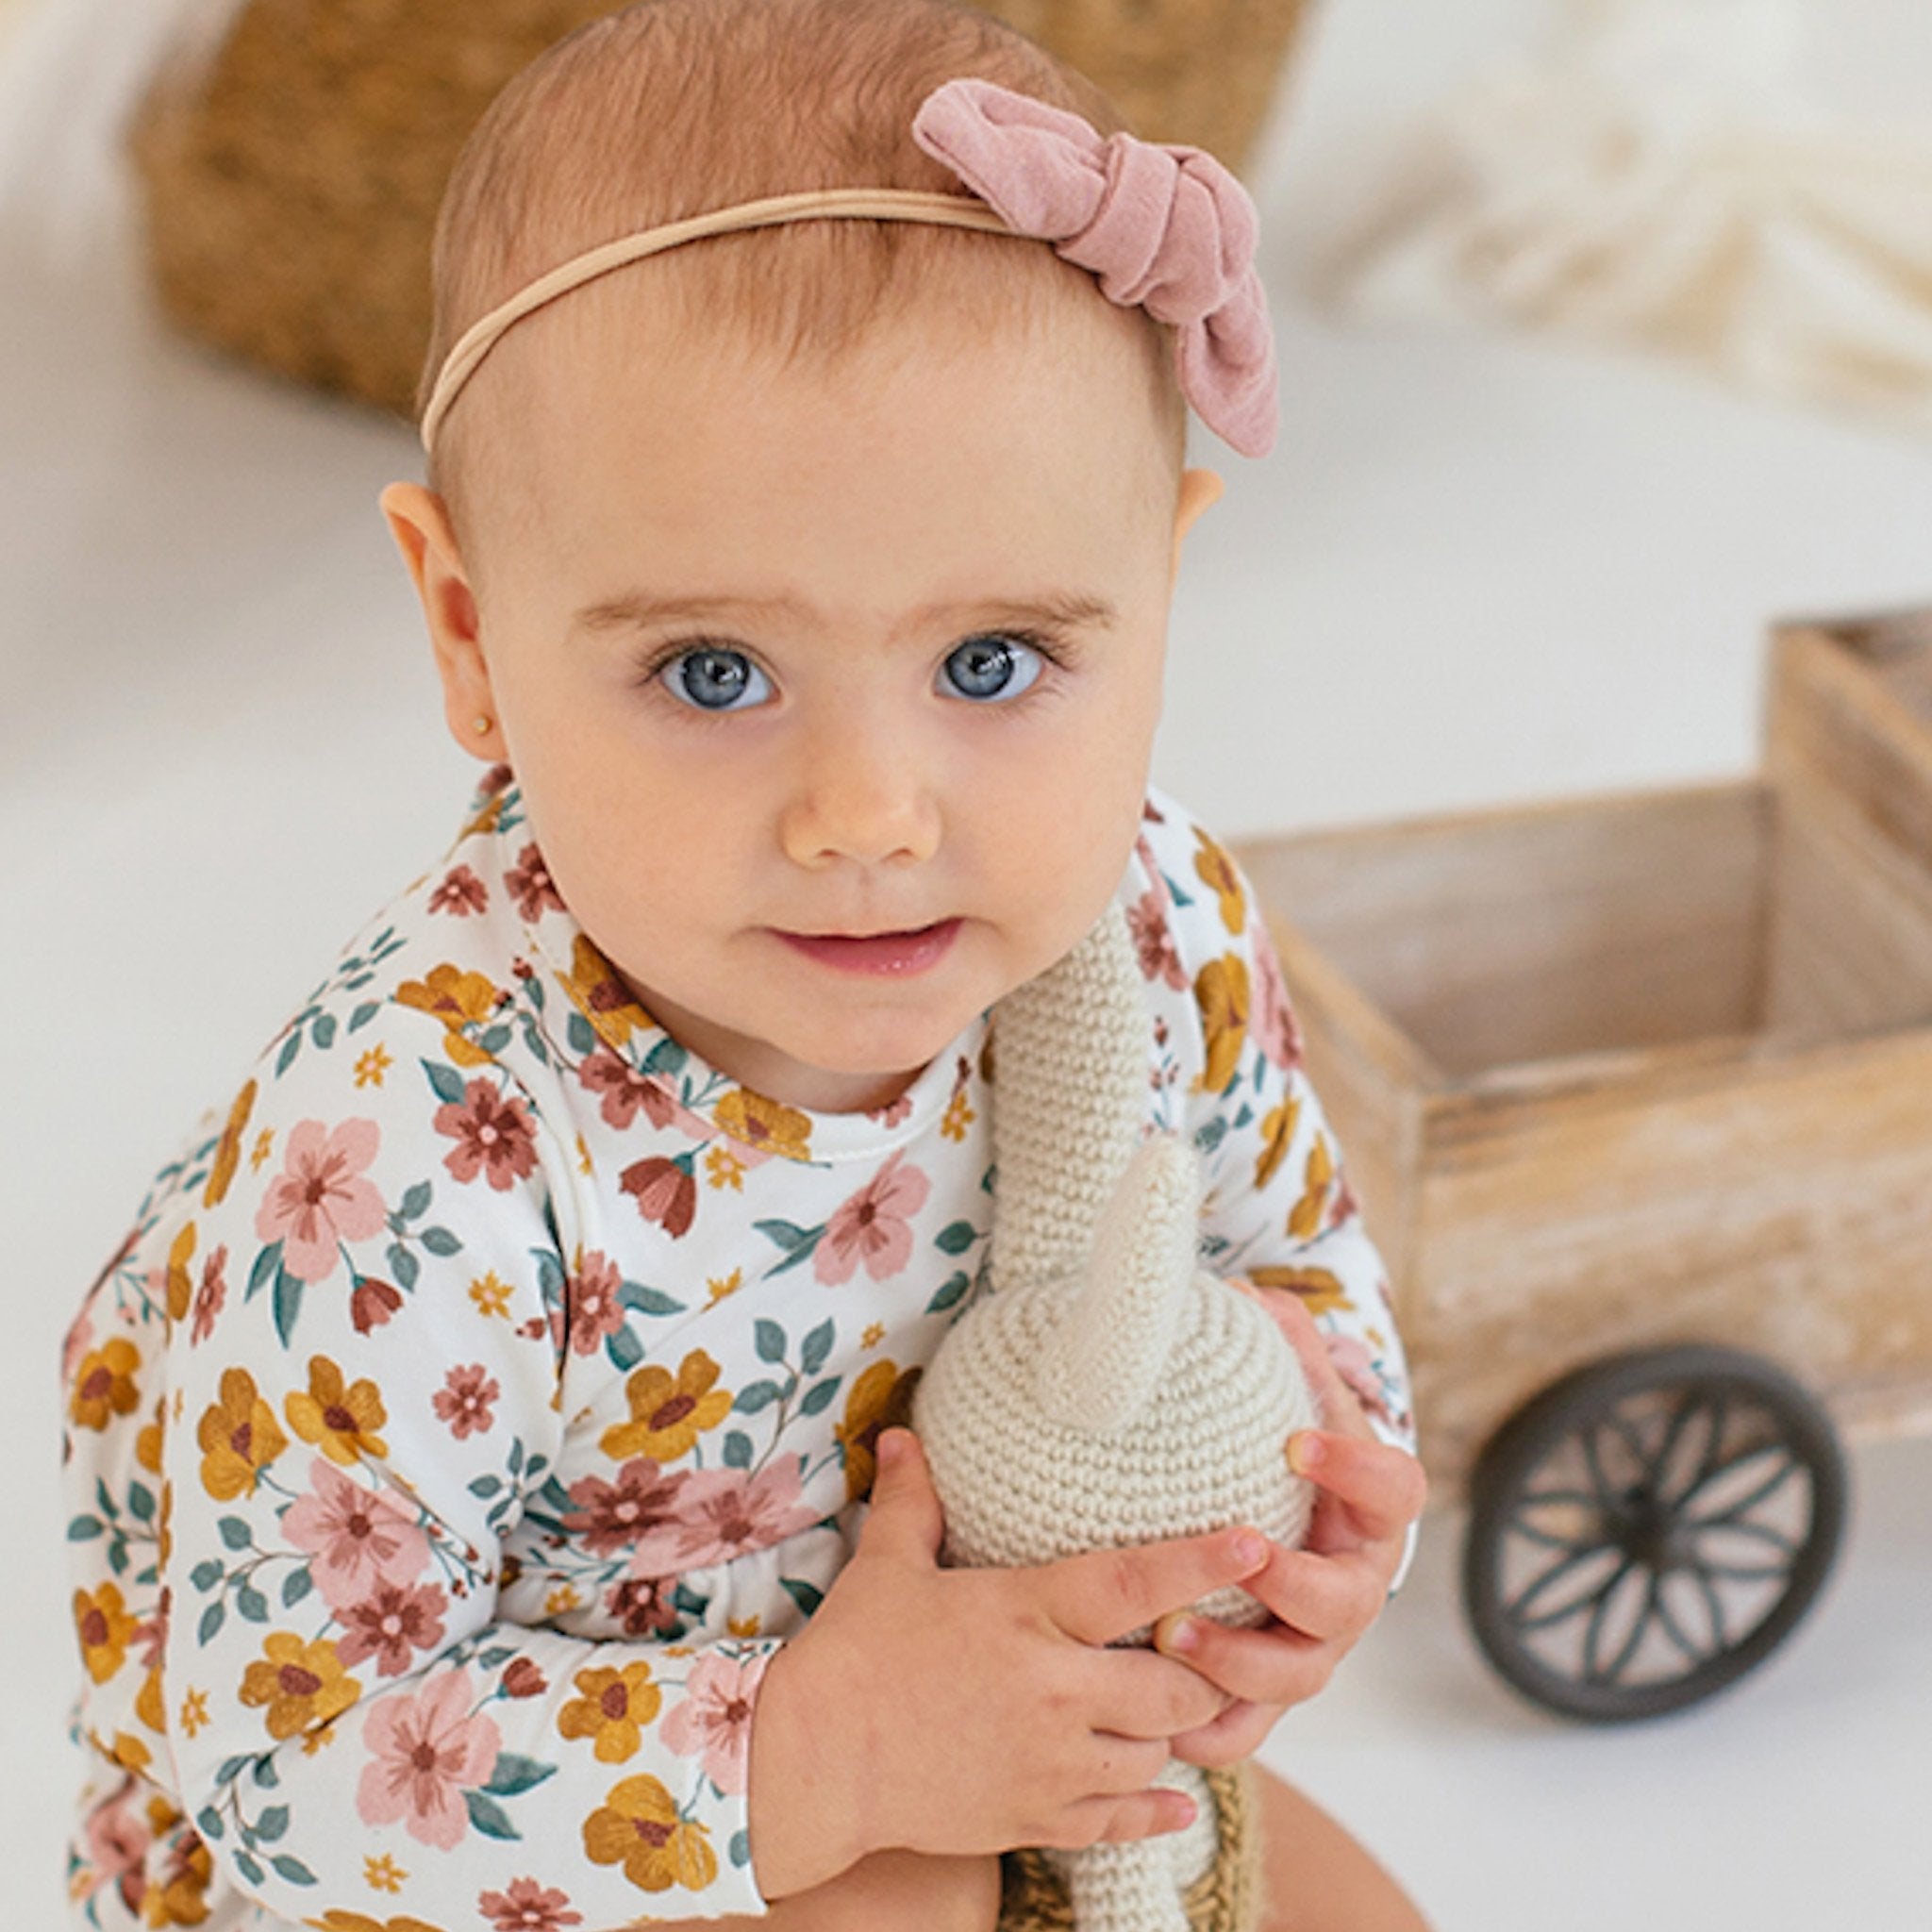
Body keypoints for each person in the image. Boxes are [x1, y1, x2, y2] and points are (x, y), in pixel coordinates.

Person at [59, 2, 1429, 1926]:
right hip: (500, 1837)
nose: (868, 811)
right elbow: (300, 1764)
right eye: (715, 673)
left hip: (993, 1721)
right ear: (470, 632)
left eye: (993, 663)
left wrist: (1328, 1485)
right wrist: (832, 1754)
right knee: (910, 1897)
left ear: (1160, 592)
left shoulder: (1148, 921)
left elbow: (1289, 1249)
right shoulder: (407, 1157)